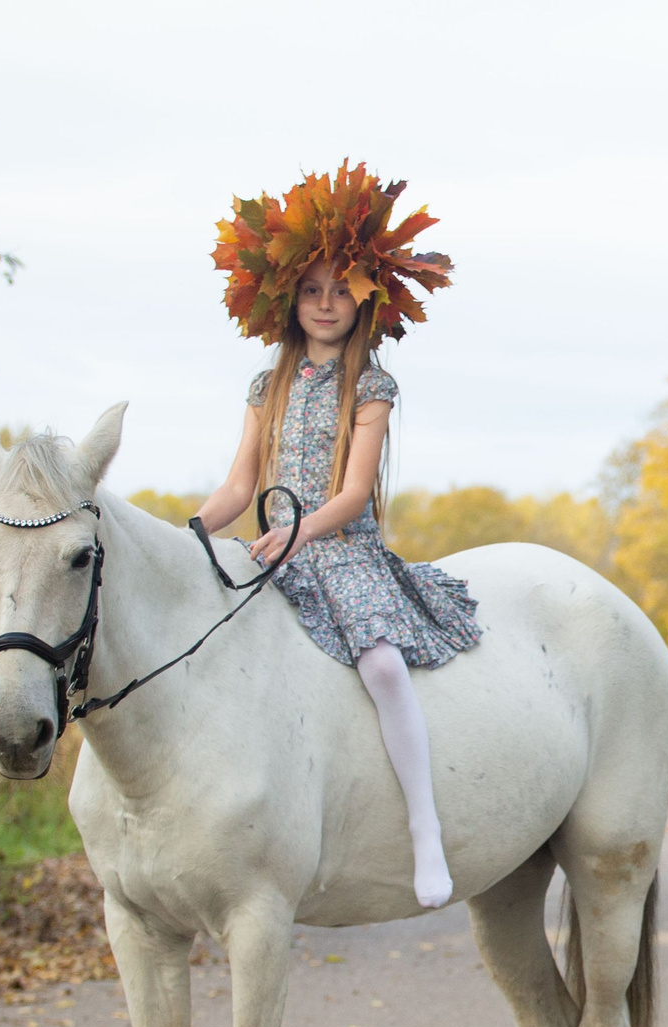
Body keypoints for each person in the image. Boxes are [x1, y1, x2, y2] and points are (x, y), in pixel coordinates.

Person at [202, 162, 481, 909]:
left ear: (364, 301)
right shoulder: (267, 386)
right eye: (311, 291)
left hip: (340, 549)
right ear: (289, 300)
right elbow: (238, 488)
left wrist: (298, 532)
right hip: (274, 549)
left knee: (383, 666)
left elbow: (355, 493)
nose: (325, 305)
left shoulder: (372, 386)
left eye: (340, 291)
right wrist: (190, 533)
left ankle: (424, 826)